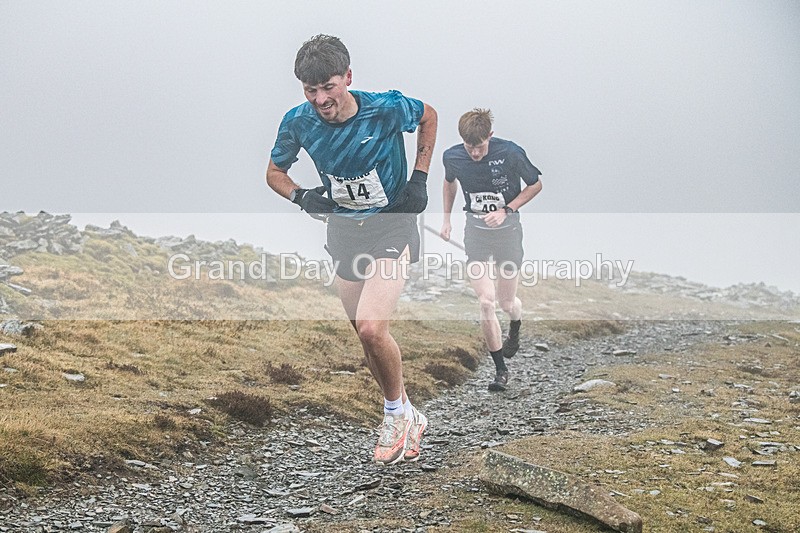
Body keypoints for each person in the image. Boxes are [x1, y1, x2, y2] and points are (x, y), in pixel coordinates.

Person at [266, 35, 437, 464]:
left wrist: (419, 178)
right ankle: (407, 413)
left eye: (329, 86)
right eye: (311, 90)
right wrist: (302, 197)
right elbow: (274, 172)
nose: (322, 99)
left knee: (371, 328)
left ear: (347, 77)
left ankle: (396, 415)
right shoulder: (298, 122)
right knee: (365, 337)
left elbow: (429, 116)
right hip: (344, 230)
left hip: (392, 223)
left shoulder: (385, 107)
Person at [440, 109, 542, 392]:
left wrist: (507, 209)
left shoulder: (510, 153)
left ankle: (515, 327)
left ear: (490, 137)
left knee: (507, 303)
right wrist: (447, 219)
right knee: (486, 301)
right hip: (476, 234)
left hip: (508, 233)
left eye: (480, 147)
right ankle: (500, 371)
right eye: (469, 147)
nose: (474, 153)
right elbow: (449, 183)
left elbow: (535, 184)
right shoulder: (453, 156)